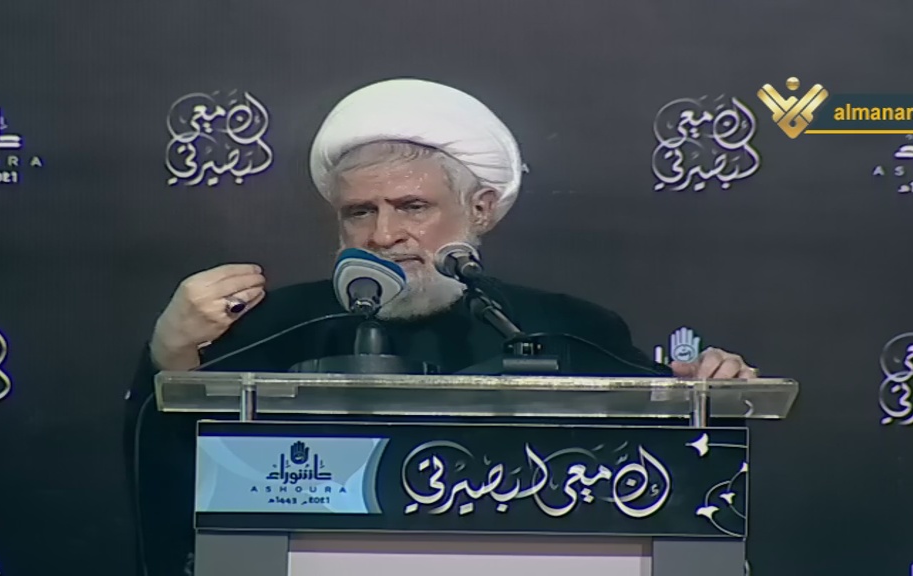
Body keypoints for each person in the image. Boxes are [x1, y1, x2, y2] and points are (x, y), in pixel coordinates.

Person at [123, 78, 758, 576]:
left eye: (412, 207)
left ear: (480, 210)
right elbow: (178, 487)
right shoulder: (281, 325)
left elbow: (668, 469)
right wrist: (170, 355)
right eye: (359, 212)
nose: (383, 235)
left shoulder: (568, 328)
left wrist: (709, 390)